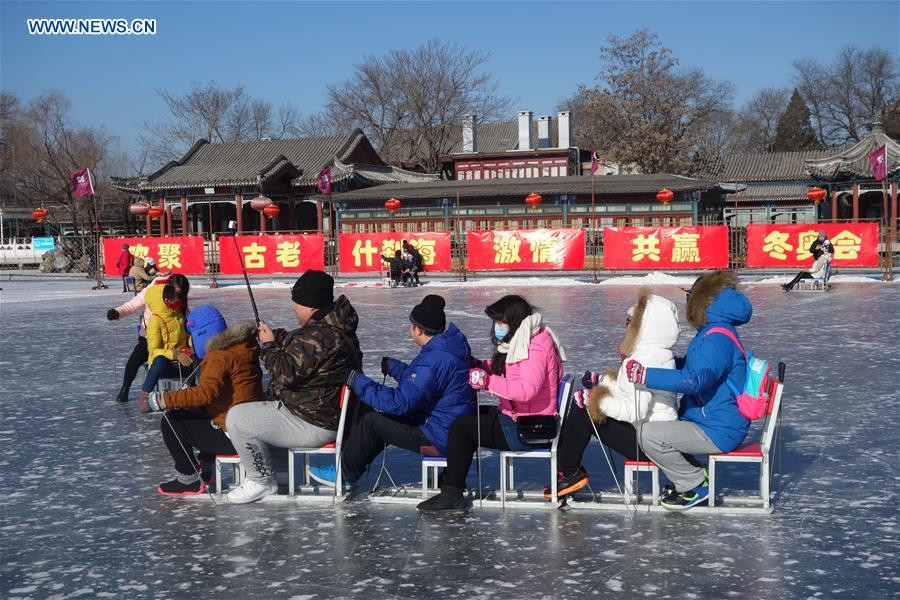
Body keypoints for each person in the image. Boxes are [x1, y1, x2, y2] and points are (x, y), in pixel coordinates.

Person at [307, 295, 476, 487]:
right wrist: (397, 369)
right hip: (446, 427)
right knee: (380, 419)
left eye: (411, 325)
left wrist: (358, 381)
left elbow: (399, 403)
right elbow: (424, 385)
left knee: (372, 421)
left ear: (418, 329)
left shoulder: (435, 359)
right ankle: (349, 468)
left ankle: (344, 474)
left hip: (439, 435)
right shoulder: (446, 350)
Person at [417, 294, 566, 513]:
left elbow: (526, 390)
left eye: (500, 323)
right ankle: (453, 478)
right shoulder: (528, 338)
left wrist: (487, 381)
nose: (496, 328)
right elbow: (510, 369)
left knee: (462, 428)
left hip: (528, 429)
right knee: (466, 418)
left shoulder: (534, 348)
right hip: (522, 417)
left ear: (514, 321)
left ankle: (452, 493)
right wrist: (479, 365)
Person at [225, 270, 363, 504]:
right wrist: (276, 337)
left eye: (296, 304)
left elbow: (285, 373)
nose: (293, 309)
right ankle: (278, 473)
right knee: (261, 409)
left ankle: (261, 480)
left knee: (238, 418)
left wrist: (268, 345)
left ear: (310, 306)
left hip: (312, 422)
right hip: (325, 415)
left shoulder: (319, 336)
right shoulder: (333, 327)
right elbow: (301, 344)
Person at [625, 270, 752, 510]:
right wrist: (670, 362)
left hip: (718, 429)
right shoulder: (713, 332)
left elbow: (695, 381)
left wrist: (646, 375)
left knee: (648, 434)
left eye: (691, 297)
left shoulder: (716, 339)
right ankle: (692, 474)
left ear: (703, 302)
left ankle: (693, 483)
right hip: (712, 420)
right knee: (655, 427)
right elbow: (697, 368)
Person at [548, 290, 680, 500]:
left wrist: (596, 401)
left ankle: (569, 472)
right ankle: (569, 470)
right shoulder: (653, 353)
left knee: (583, 414)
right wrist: (602, 381)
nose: (626, 326)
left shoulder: (644, 358)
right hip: (654, 432)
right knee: (583, 407)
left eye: (630, 321)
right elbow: (630, 391)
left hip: (650, 442)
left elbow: (635, 410)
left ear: (646, 327)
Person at [138, 306, 265, 496]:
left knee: (172, 421)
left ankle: (188, 478)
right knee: (203, 413)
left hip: (234, 436)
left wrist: (161, 400)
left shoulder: (218, 356)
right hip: (251, 427)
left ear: (201, 334)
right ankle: (207, 469)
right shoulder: (242, 348)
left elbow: (205, 393)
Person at [107, 273, 190, 403]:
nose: (177, 298)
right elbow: (133, 305)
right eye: (176, 293)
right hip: (149, 338)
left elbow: (184, 318)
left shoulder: (178, 301)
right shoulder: (152, 291)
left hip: (173, 341)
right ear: (168, 287)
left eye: (180, 295)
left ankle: (193, 390)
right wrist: (117, 313)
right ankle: (125, 388)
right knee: (134, 361)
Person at [138, 281, 192, 397]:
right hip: (165, 364)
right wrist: (174, 354)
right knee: (160, 359)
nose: (178, 300)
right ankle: (144, 395)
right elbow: (154, 350)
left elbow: (187, 336)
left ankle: (198, 393)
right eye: (175, 298)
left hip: (182, 359)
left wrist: (192, 345)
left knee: (200, 356)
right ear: (167, 301)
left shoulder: (178, 314)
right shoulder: (155, 320)